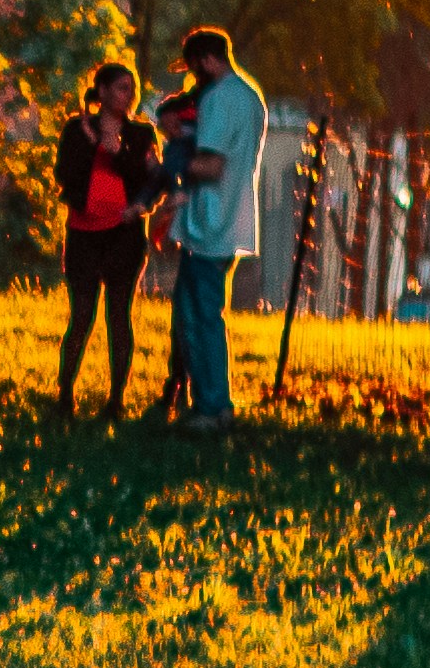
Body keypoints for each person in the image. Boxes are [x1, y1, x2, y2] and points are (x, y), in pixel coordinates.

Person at [160, 22, 268, 426]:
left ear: (207, 60)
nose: (192, 77)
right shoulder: (251, 96)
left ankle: (210, 405)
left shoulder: (220, 100)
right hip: (234, 218)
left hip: (210, 223)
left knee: (199, 316)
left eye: (193, 67)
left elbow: (211, 163)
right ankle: (214, 402)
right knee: (204, 313)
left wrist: (168, 164)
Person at [51, 63, 163, 412]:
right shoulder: (76, 130)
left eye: (131, 89)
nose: (127, 95)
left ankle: (116, 398)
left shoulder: (141, 135)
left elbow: (150, 182)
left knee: (119, 315)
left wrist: (117, 152)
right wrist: (90, 143)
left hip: (124, 235)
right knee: (81, 314)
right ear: (101, 92)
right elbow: (63, 175)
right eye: (120, 88)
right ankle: (64, 392)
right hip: (83, 233)